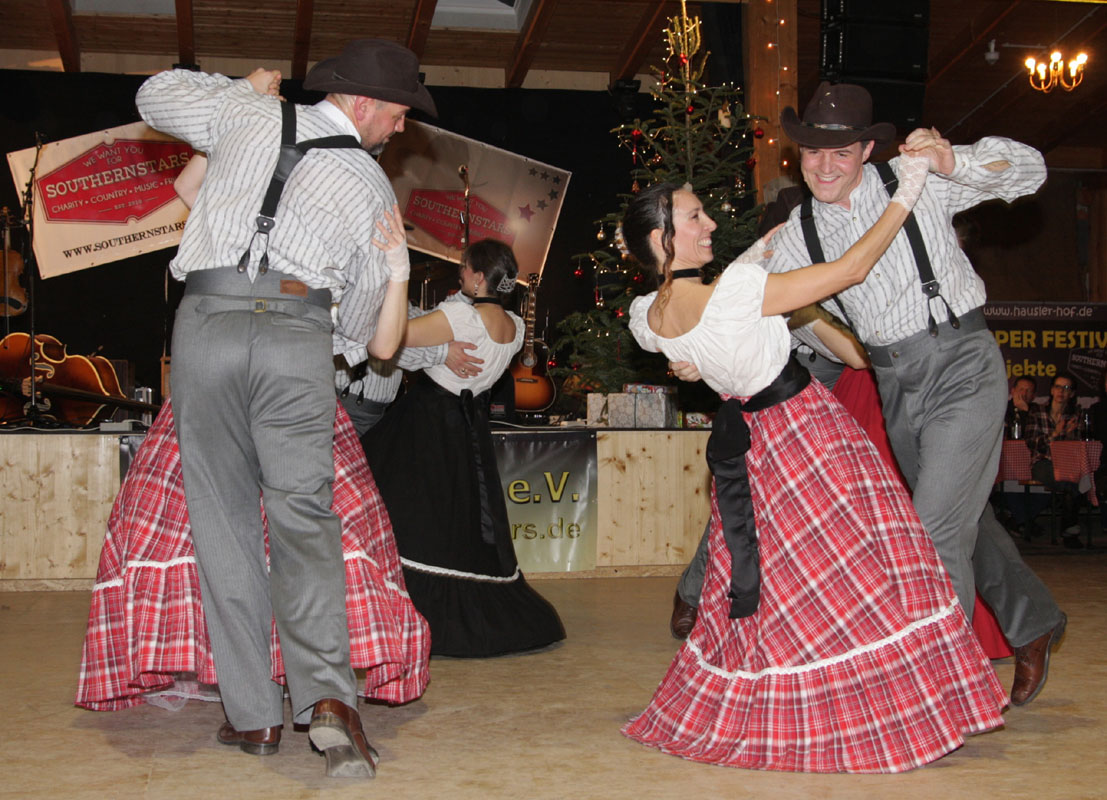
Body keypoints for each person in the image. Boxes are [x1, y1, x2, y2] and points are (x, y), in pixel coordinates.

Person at [620, 173, 1006, 773]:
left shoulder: (647, 315)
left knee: (790, 590)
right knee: (874, 571)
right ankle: (884, 712)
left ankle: (805, 709)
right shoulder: (737, 291)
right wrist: (905, 194)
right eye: (695, 217)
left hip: (751, 448)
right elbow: (851, 269)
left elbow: (695, 339)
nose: (711, 223)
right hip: (805, 435)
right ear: (659, 238)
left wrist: (697, 355)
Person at [134, 38, 435, 778]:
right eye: (398, 112)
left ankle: (254, 714)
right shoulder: (370, 184)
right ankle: (329, 701)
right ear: (362, 102)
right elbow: (365, 329)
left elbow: (153, 95)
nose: (401, 127)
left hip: (205, 326)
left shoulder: (246, 113)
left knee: (221, 518)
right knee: (304, 517)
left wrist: (242, 87)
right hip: (298, 336)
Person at [763, 81, 1066, 707]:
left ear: (866, 150)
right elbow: (764, 303)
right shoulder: (796, 233)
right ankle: (1033, 621)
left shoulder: (915, 178)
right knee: (957, 517)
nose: (825, 166)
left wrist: (955, 160)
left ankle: (941, 696)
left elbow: (1029, 171)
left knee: (931, 532)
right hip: (894, 384)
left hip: (962, 364)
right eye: (814, 151)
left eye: (841, 152)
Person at [363, 239, 566, 657]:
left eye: (463, 269)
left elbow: (390, 335)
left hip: (427, 425)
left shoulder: (461, 318)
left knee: (402, 513)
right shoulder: (516, 327)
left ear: (477, 276)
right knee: (457, 525)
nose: (459, 275)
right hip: (469, 429)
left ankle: (398, 610)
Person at [1026, 372, 1084, 548]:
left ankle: (1069, 530)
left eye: (1066, 388)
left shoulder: (1076, 414)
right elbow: (1032, 443)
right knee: (1072, 484)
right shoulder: (1037, 411)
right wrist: (1055, 434)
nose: (1061, 391)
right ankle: (1070, 531)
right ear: (1052, 390)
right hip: (1043, 462)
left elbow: (1079, 448)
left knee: (1076, 480)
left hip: (1067, 463)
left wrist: (1069, 435)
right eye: (1058, 387)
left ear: (1072, 393)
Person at [1007, 375, 1037, 440]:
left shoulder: (1037, 410)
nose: (1024, 394)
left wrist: (1025, 411)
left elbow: (1032, 433)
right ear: (1013, 391)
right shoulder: (1004, 409)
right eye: (1021, 389)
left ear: (1033, 396)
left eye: (1028, 391)